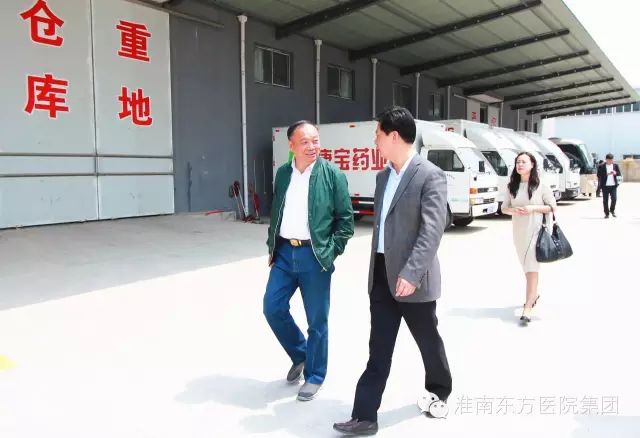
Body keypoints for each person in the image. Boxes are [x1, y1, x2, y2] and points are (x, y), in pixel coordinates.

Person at [333, 107, 452, 436]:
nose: (375, 141)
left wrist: (411, 274)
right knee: (379, 348)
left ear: (394, 136)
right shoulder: (383, 177)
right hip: (382, 277)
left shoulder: (430, 175)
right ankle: (364, 416)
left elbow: (432, 231)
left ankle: (439, 390)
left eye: (378, 135)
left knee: (427, 340)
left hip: (414, 280)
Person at [263, 121, 354, 401]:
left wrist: (331, 251)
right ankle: (301, 354)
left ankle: (315, 375)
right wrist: (272, 245)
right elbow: (276, 211)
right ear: (291, 145)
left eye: (315, 140)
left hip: (315, 255)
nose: (312, 146)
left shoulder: (332, 174)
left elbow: (345, 221)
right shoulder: (283, 174)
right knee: (272, 307)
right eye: (305, 142)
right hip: (284, 253)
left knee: (317, 319)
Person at [501, 152, 557, 324]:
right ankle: (534, 295)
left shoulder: (541, 185)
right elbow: (504, 208)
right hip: (519, 232)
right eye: (518, 162)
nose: (520, 164)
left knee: (532, 266)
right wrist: (513, 210)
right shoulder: (512, 186)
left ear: (532, 165)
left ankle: (528, 306)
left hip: (536, 231)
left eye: (524, 162)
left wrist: (532, 208)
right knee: (526, 267)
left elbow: (552, 207)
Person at [597, 153, 622, 218]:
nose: (611, 161)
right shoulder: (601, 166)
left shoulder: (615, 165)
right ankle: (606, 213)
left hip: (613, 185)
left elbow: (619, 174)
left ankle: (612, 210)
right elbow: (598, 175)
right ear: (606, 160)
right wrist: (607, 174)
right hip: (605, 186)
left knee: (614, 199)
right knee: (605, 200)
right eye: (609, 160)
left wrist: (615, 173)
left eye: (612, 160)